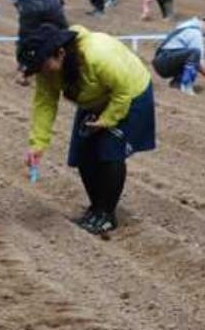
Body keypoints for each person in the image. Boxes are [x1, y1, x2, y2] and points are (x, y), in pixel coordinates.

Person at [21, 23, 156, 236]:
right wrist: (38, 144)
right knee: (83, 152)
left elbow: (123, 92)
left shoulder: (97, 55)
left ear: (61, 53)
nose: (41, 71)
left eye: (42, 65)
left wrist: (107, 120)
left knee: (110, 152)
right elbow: (45, 104)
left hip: (130, 95)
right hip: (94, 99)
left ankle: (107, 215)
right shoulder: (46, 70)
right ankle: (96, 208)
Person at [151, 12, 205, 95]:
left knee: (192, 55)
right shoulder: (195, 33)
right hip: (165, 60)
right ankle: (186, 86)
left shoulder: (189, 25)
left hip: (161, 59)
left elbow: (189, 50)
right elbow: (197, 59)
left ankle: (177, 84)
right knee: (194, 56)